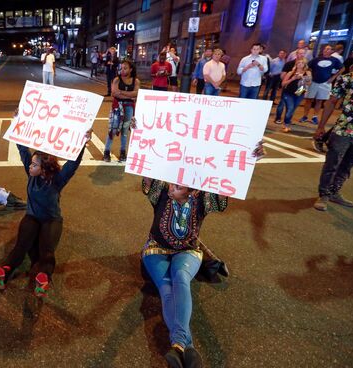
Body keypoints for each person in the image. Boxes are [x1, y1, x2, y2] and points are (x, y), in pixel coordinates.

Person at [137, 126, 265, 368]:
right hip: (156, 248)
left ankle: (177, 345)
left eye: (178, 186)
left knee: (181, 279)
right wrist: (140, 134)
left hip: (188, 250)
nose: (171, 187)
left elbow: (229, 181)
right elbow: (146, 165)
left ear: (192, 190)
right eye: (172, 184)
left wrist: (251, 159)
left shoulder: (203, 200)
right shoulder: (160, 194)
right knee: (166, 288)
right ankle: (187, 346)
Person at [0, 128, 92, 298]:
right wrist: (19, 123)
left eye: (34, 165)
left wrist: (83, 142)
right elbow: (23, 150)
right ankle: (4, 271)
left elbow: (72, 164)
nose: (30, 166)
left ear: (44, 168)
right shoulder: (31, 174)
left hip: (51, 220)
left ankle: (43, 277)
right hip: (32, 217)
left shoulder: (57, 179)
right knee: (21, 246)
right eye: (31, 164)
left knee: (46, 252)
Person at [313, 46, 353, 211]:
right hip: (344, 128)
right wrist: (321, 126)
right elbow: (331, 102)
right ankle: (323, 194)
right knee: (333, 162)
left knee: (348, 164)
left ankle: (335, 192)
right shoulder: (349, 78)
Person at [104, 60, 139, 163]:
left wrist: (122, 92)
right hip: (117, 107)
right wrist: (129, 94)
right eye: (121, 68)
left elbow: (136, 94)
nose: (122, 70)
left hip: (129, 108)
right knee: (112, 130)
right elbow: (114, 94)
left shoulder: (136, 81)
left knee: (125, 131)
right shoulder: (116, 80)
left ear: (131, 69)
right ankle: (106, 151)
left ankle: (123, 152)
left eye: (125, 68)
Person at [299, 45, 342, 126]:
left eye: (328, 49)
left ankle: (315, 117)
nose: (326, 50)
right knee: (308, 99)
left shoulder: (334, 60)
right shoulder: (316, 59)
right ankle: (305, 116)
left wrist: (333, 78)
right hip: (313, 82)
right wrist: (309, 74)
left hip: (325, 83)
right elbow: (307, 67)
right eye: (325, 49)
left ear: (331, 51)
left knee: (319, 100)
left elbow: (342, 68)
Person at [277, 58, 311, 133]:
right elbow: (283, 84)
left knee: (293, 108)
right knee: (290, 108)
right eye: (298, 62)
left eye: (302, 63)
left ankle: (287, 121)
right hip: (288, 92)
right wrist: (293, 78)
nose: (300, 64)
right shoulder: (290, 73)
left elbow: (309, 83)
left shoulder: (307, 73)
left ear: (305, 64)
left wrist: (303, 78)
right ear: (296, 64)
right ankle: (286, 124)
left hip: (300, 91)